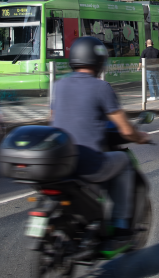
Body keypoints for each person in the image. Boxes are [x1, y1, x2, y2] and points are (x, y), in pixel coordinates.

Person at [51, 37, 150, 246]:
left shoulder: (59, 85)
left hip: (60, 162)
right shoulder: (101, 87)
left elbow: (55, 117)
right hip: (88, 163)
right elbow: (124, 128)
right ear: (98, 61)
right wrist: (140, 137)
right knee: (123, 162)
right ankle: (122, 225)